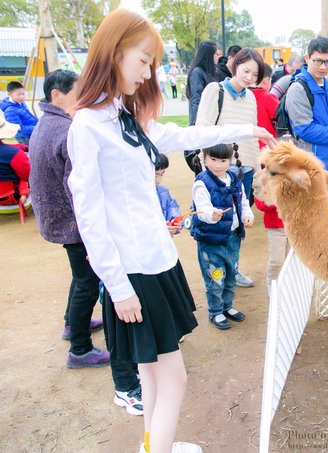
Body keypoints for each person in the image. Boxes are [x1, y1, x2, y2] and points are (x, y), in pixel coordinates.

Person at [66, 10, 275, 453]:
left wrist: (251, 128)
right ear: (114, 52)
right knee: (174, 379)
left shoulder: (125, 116)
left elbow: (186, 135)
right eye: (143, 61)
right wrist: (117, 287)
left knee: (151, 373)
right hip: (134, 275)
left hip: (157, 261)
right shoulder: (88, 125)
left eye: (150, 64)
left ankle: (154, 444)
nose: (146, 74)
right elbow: (90, 218)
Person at [28, 69, 146, 417]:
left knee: (80, 278)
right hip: (73, 222)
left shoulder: (49, 122)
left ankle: (72, 324)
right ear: (57, 95)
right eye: (79, 92)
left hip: (57, 217)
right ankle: (79, 347)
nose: (86, 97)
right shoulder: (69, 130)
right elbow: (79, 189)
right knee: (87, 282)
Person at [196, 47, 266, 288]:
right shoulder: (214, 91)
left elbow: (253, 134)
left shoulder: (251, 97)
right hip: (218, 169)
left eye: (254, 75)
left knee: (237, 226)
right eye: (246, 70)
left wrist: (257, 170)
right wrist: (206, 171)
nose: (248, 77)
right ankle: (216, 273)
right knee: (216, 224)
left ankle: (232, 268)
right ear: (235, 65)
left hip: (243, 170)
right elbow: (201, 130)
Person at [190, 144, 253, 330]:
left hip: (232, 236)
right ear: (205, 158)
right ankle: (215, 311)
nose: (218, 165)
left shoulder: (235, 179)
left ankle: (227, 306)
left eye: (223, 160)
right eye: (213, 159)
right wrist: (211, 215)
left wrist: (247, 216)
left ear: (230, 159)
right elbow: (202, 209)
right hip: (211, 239)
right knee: (215, 277)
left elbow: (243, 202)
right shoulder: (202, 182)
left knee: (231, 274)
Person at [286, 36, 328, 200]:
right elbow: (305, 130)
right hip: (311, 168)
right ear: (307, 58)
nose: (323, 67)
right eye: (318, 61)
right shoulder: (298, 89)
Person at [185, 40, 218, 169]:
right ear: (209, 55)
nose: (218, 57)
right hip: (200, 124)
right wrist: (196, 125)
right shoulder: (198, 73)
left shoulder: (209, 73)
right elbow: (196, 100)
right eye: (216, 54)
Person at [254, 195, 289, 295]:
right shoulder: (264, 180)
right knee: (277, 260)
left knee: (291, 260)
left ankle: (288, 285)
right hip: (275, 226)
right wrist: (275, 200)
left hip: (295, 224)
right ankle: (272, 285)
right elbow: (260, 203)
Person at [0, 110, 29, 202]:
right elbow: (26, 175)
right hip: (11, 194)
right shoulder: (15, 154)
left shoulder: (12, 151)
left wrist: (20, 147)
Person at [250, 64, 280, 149]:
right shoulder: (269, 98)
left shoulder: (243, 97)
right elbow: (281, 122)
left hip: (246, 149)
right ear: (266, 80)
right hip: (268, 150)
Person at [154, 154, 180, 223]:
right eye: (155, 175)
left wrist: (174, 220)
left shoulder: (163, 191)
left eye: (162, 174)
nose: (159, 180)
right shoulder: (137, 195)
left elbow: (172, 206)